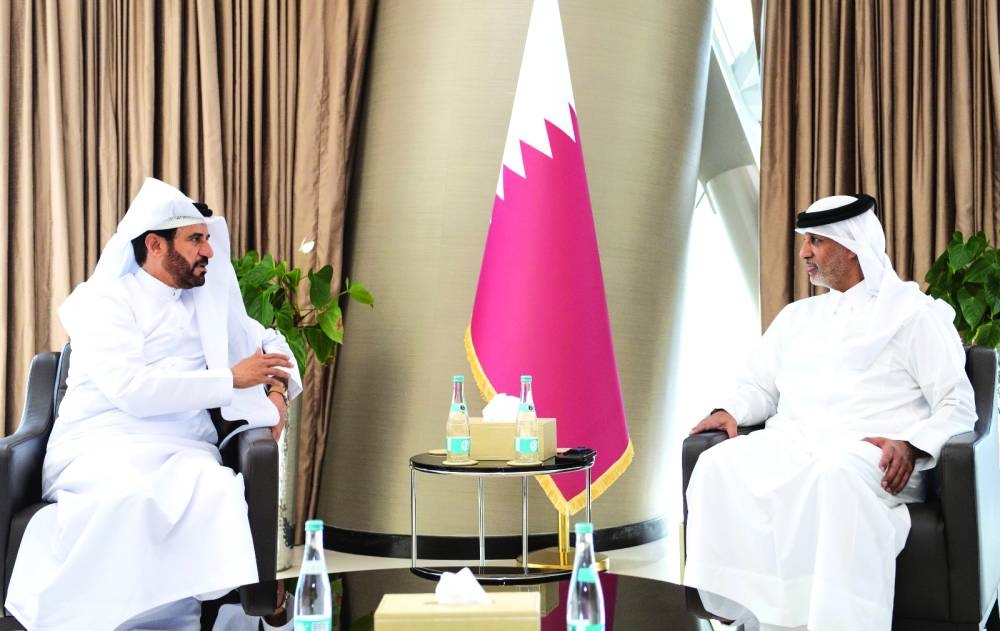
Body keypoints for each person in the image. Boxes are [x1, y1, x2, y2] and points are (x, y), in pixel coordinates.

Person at [4, 178, 302, 631]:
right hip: (100, 445)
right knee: (130, 497)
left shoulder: (206, 303)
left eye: (207, 238)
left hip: (182, 446)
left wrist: (277, 394)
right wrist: (230, 379)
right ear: (155, 245)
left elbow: (273, 343)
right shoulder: (105, 302)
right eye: (195, 240)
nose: (208, 251)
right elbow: (133, 389)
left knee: (214, 488)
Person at [683, 194, 977, 631]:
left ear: (852, 246)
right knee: (716, 463)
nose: (804, 252)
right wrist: (731, 409)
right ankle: (744, 607)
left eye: (816, 242)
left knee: (833, 474)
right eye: (806, 241)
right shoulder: (797, 317)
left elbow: (958, 402)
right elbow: (759, 386)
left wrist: (913, 446)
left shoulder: (915, 315)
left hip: (874, 455)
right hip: (798, 443)